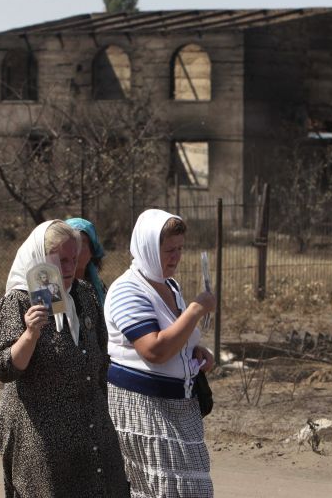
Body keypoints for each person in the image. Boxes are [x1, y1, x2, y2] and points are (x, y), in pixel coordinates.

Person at [0, 220, 129, 497]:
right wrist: (30, 334)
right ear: (40, 258)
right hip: (42, 436)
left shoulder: (84, 293)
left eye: (73, 259)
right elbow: (4, 368)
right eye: (60, 260)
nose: (68, 268)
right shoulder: (18, 301)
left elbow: (101, 357)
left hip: (90, 428)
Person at [104, 209, 216, 497]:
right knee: (164, 490)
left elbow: (174, 335)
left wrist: (195, 350)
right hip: (145, 408)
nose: (175, 257)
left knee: (192, 489)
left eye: (180, 249)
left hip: (179, 406)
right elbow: (154, 349)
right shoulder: (127, 290)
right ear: (148, 248)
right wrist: (195, 309)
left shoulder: (169, 286)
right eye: (169, 250)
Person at [66, 217, 107, 307]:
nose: (76, 250)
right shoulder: (56, 288)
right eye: (72, 243)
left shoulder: (98, 288)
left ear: (92, 251)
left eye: (82, 242)